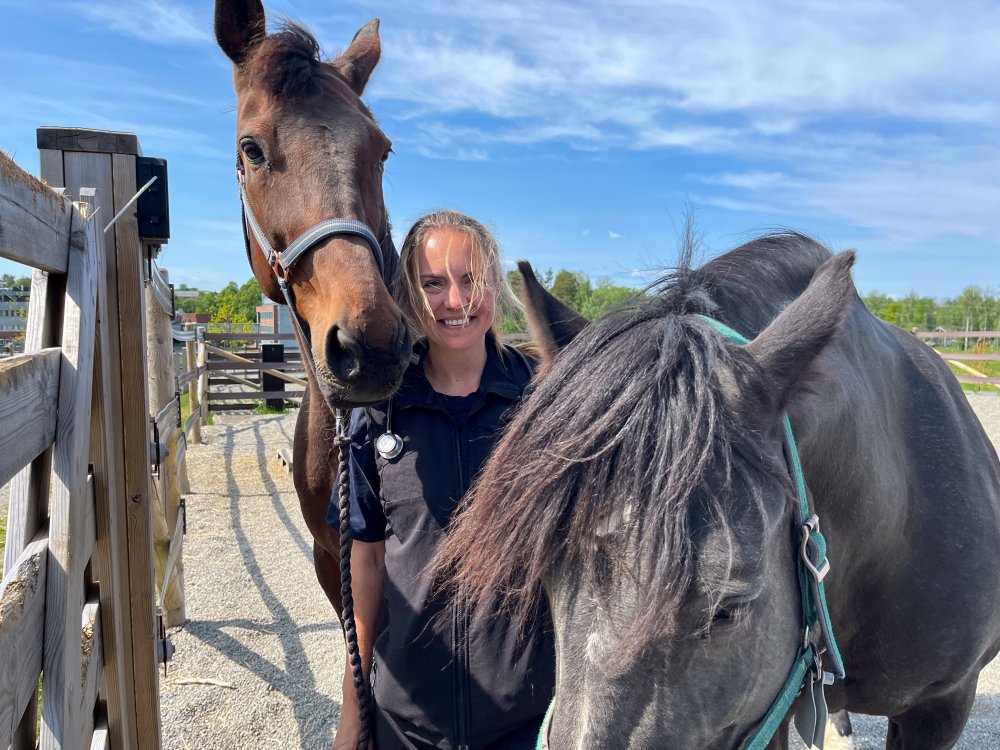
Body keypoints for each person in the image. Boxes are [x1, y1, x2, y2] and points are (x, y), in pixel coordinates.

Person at [331, 210, 554, 750]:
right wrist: (352, 712)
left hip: (523, 721)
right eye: (434, 283)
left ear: (495, 288)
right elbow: (368, 566)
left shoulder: (541, 404)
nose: (455, 301)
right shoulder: (380, 412)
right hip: (407, 722)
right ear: (409, 293)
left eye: (471, 279)